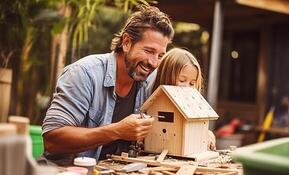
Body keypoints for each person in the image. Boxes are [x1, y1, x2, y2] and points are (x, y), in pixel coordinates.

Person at [41, 5, 174, 166]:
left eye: (160, 55)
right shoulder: (84, 73)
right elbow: (52, 140)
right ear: (126, 43)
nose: (154, 63)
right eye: (148, 51)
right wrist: (117, 131)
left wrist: (203, 135)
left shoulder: (149, 80)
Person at [151, 48, 216, 150]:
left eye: (192, 83)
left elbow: (196, 129)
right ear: (166, 77)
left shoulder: (192, 105)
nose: (187, 87)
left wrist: (207, 134)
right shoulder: (152, 102)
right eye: (182, 80)